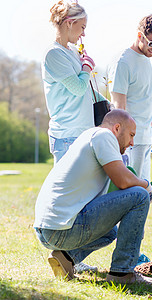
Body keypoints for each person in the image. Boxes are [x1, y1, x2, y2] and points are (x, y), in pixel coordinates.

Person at [34, 109, 152, 285]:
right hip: (61, 230)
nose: (131, 143)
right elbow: (123, 180)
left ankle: (66, 258)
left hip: (48, 228)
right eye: (131, 135)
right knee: (139, 195)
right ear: (116, 128)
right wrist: (146, 185)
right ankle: (122, 274)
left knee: (110, 232)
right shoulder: (104, 136)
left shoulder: (88, 136)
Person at [43, 0, 107, 273]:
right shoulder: (53, 55)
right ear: (68, 23)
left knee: (90, 202)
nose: (83, 34)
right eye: (81, 27)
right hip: (67, 135)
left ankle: (71, 259)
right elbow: (78, 87)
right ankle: (69, 257)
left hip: (82, 134)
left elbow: (88, 93)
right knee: (71, 204)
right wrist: (86, 68)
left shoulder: (70, 53)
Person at [108, 14, 152, 182]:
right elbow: (119, 107)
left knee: (144, 190)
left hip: (145, 137)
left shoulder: (146, 59)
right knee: (133, 191)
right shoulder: (123, 62)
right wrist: (124, 142)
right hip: (131, 142)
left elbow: (143, 99)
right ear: (140, 36)